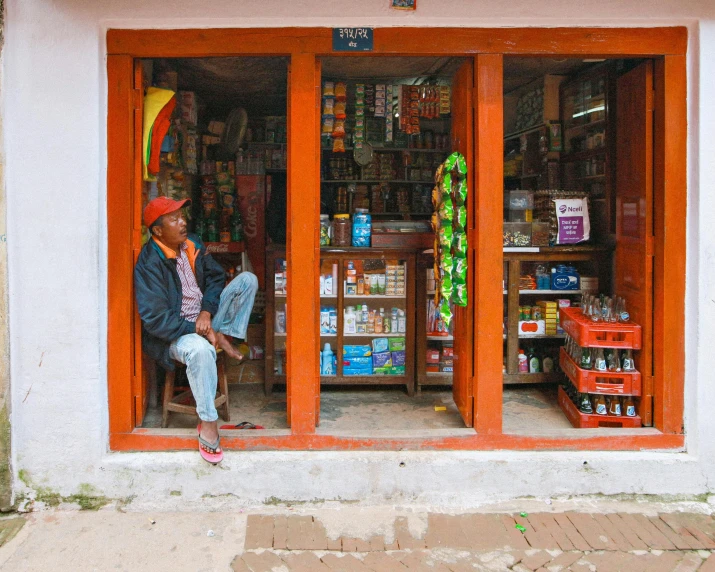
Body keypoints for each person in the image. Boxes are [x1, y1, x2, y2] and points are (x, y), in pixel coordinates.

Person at [134, 197, 258, 464]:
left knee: (247, 280)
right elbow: (155, 320)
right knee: (201, 348)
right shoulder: (149, 264)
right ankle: (208, 423)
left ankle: (223, 333)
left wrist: (206, 313)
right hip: (177, 333)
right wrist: (197, 328)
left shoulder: (192, 243)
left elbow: (214, 278)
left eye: (182, 216)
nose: (183, 222)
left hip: (203, 319)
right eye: (175, 219)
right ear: (157, 230)